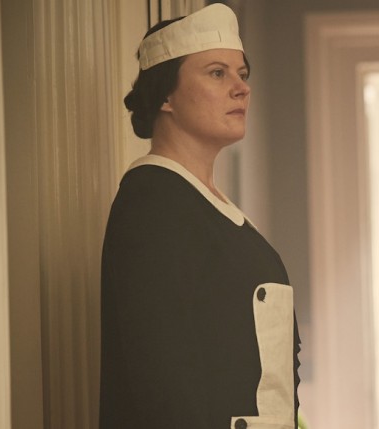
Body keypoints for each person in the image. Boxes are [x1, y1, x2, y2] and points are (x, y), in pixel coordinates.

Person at [99, 4, 300, 428]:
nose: (241, 88)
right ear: (165, 96)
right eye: (217, 73)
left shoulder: (213, 209)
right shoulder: (153, 205)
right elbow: (163, 381)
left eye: (242, 74)